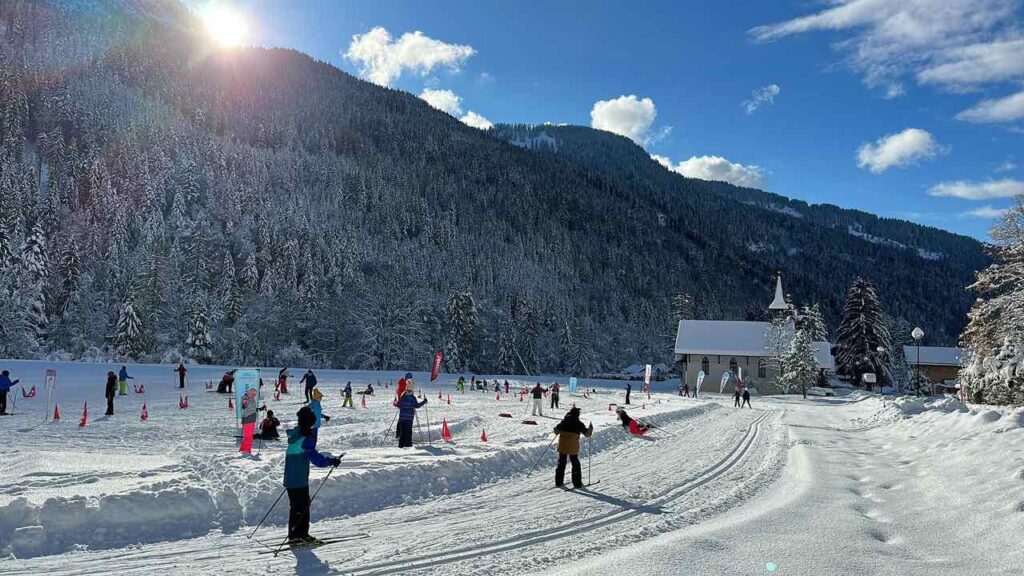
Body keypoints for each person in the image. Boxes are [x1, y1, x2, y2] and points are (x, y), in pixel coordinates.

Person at [284, 406, 342, 545]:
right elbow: (315, 458)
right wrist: (331, 461)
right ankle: (301, 535)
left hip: (291, 478)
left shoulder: (295, 435)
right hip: (299, 479)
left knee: (296, 507)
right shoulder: (305, 438)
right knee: (303, 507)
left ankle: (294, 535)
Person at [553, 407, 593, 488]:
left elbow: (556, 431)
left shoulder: (564, 421)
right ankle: (577, 483)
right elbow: (587, 434)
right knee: (575, 463)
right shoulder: (578, 423)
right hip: (573, 446)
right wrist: (590, 428)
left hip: (563, 445)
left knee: (561, 463)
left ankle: (558, 482)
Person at [396, 383, 428, 448]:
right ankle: (408, 446)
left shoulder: (403, 396)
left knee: (402, 433)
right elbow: (417, 406)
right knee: (408, 433)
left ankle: (400, 447)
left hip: (402, 418)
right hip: (409, 419)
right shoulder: (412, 398)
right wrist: (424, 402)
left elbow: (398, 405)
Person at [239, 388, 260, 454]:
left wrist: (260, 409)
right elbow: (243, 410)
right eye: (252, 393)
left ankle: (243, 449)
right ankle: (246, 450)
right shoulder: (245, 399)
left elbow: (252, 409)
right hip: (248, 420)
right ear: (248, 393)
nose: (254, 395)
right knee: (249, 436)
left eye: (255, 394)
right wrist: (244, 406)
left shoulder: (251, 399)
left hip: (252, 419)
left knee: (248, 436)